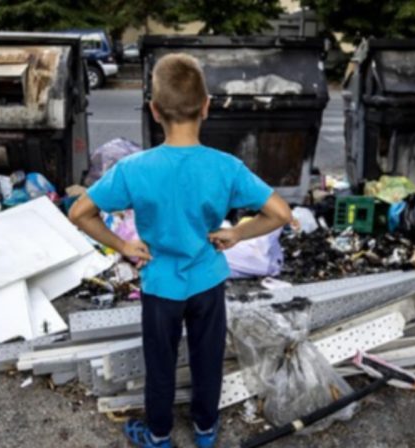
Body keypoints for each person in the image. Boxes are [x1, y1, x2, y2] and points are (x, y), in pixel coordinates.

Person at [68, 53, 292, 448]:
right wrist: (238, 235)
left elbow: (80, 212)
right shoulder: (226, 167)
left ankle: (159, 436)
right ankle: (206, 431)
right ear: (206, 107)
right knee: (208, 362)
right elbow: (280, 213)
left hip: (160, 286)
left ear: (154, 111)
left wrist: (123, 244)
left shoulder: (134, 168)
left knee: (160, 365)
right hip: (207, 282)